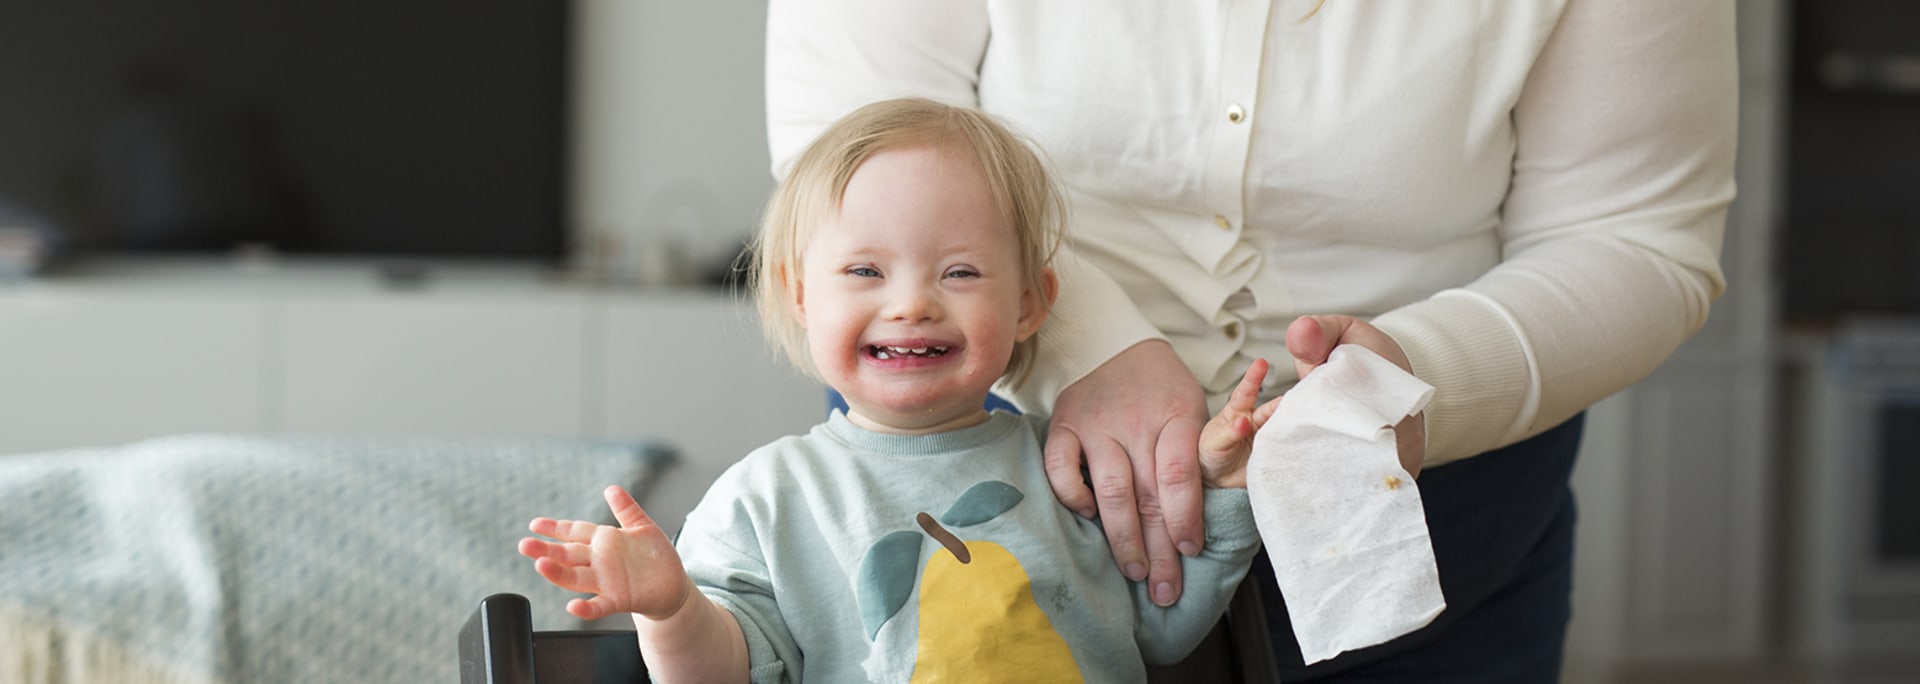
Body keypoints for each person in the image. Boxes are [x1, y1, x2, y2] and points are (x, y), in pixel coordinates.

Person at [765, 1, 1737, 680]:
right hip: (968, 453)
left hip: (1432, 526)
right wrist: (1086, 346)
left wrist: (1416, 377)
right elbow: (847, 148)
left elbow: (1637, 236)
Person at [519, 98, 1281, 682]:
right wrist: (674, 607)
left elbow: (1164, 628)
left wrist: (1221, 488)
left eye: (959, 272)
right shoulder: (764, 499)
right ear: (799, 298)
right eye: (864, 272)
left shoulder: (1073, 474)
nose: (911, 303)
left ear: (1028, 303)